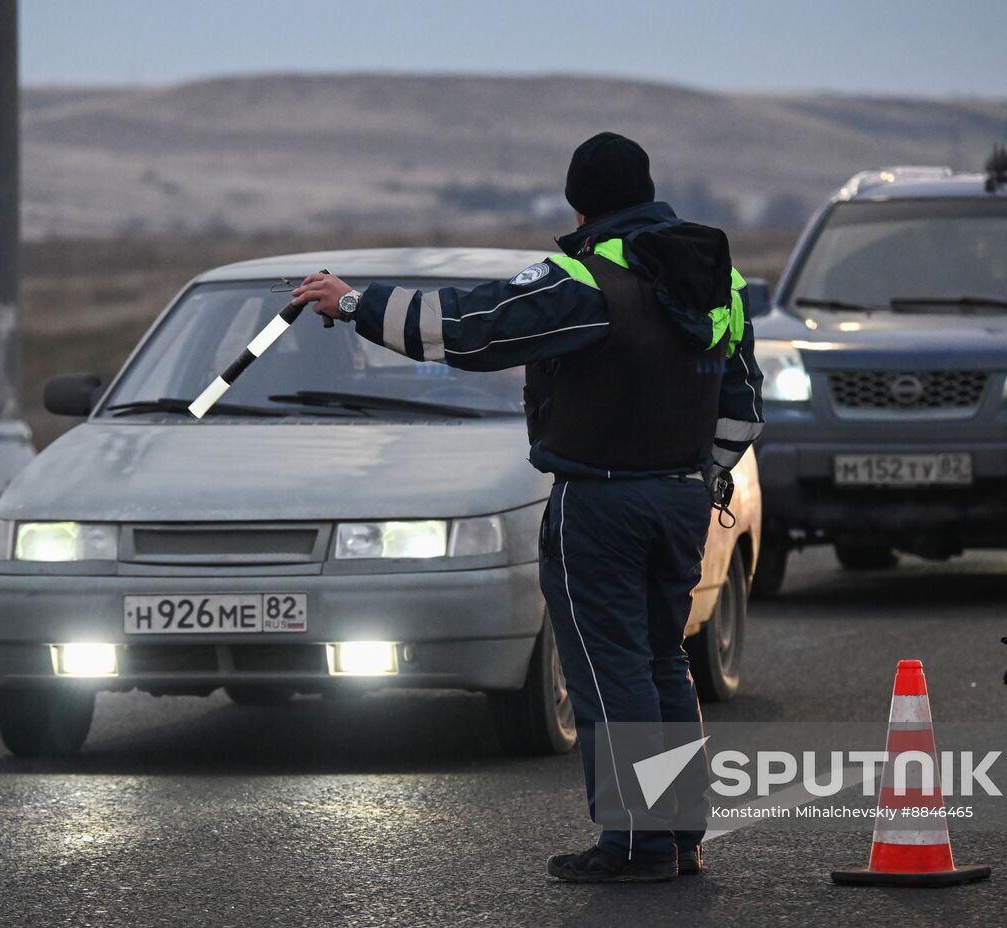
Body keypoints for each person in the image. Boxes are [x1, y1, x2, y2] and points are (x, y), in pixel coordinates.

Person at [292, 132, 764, 882]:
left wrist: (353, 302)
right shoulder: (719, 283)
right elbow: (742, 407)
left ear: (580, 204)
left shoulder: (584, 279)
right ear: (648, 192)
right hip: (682, 501)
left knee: (612, 673)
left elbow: (470, 328)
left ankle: (634, 846)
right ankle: (678, 836)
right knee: (661, 660)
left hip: (601, 504)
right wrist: (697, 473)